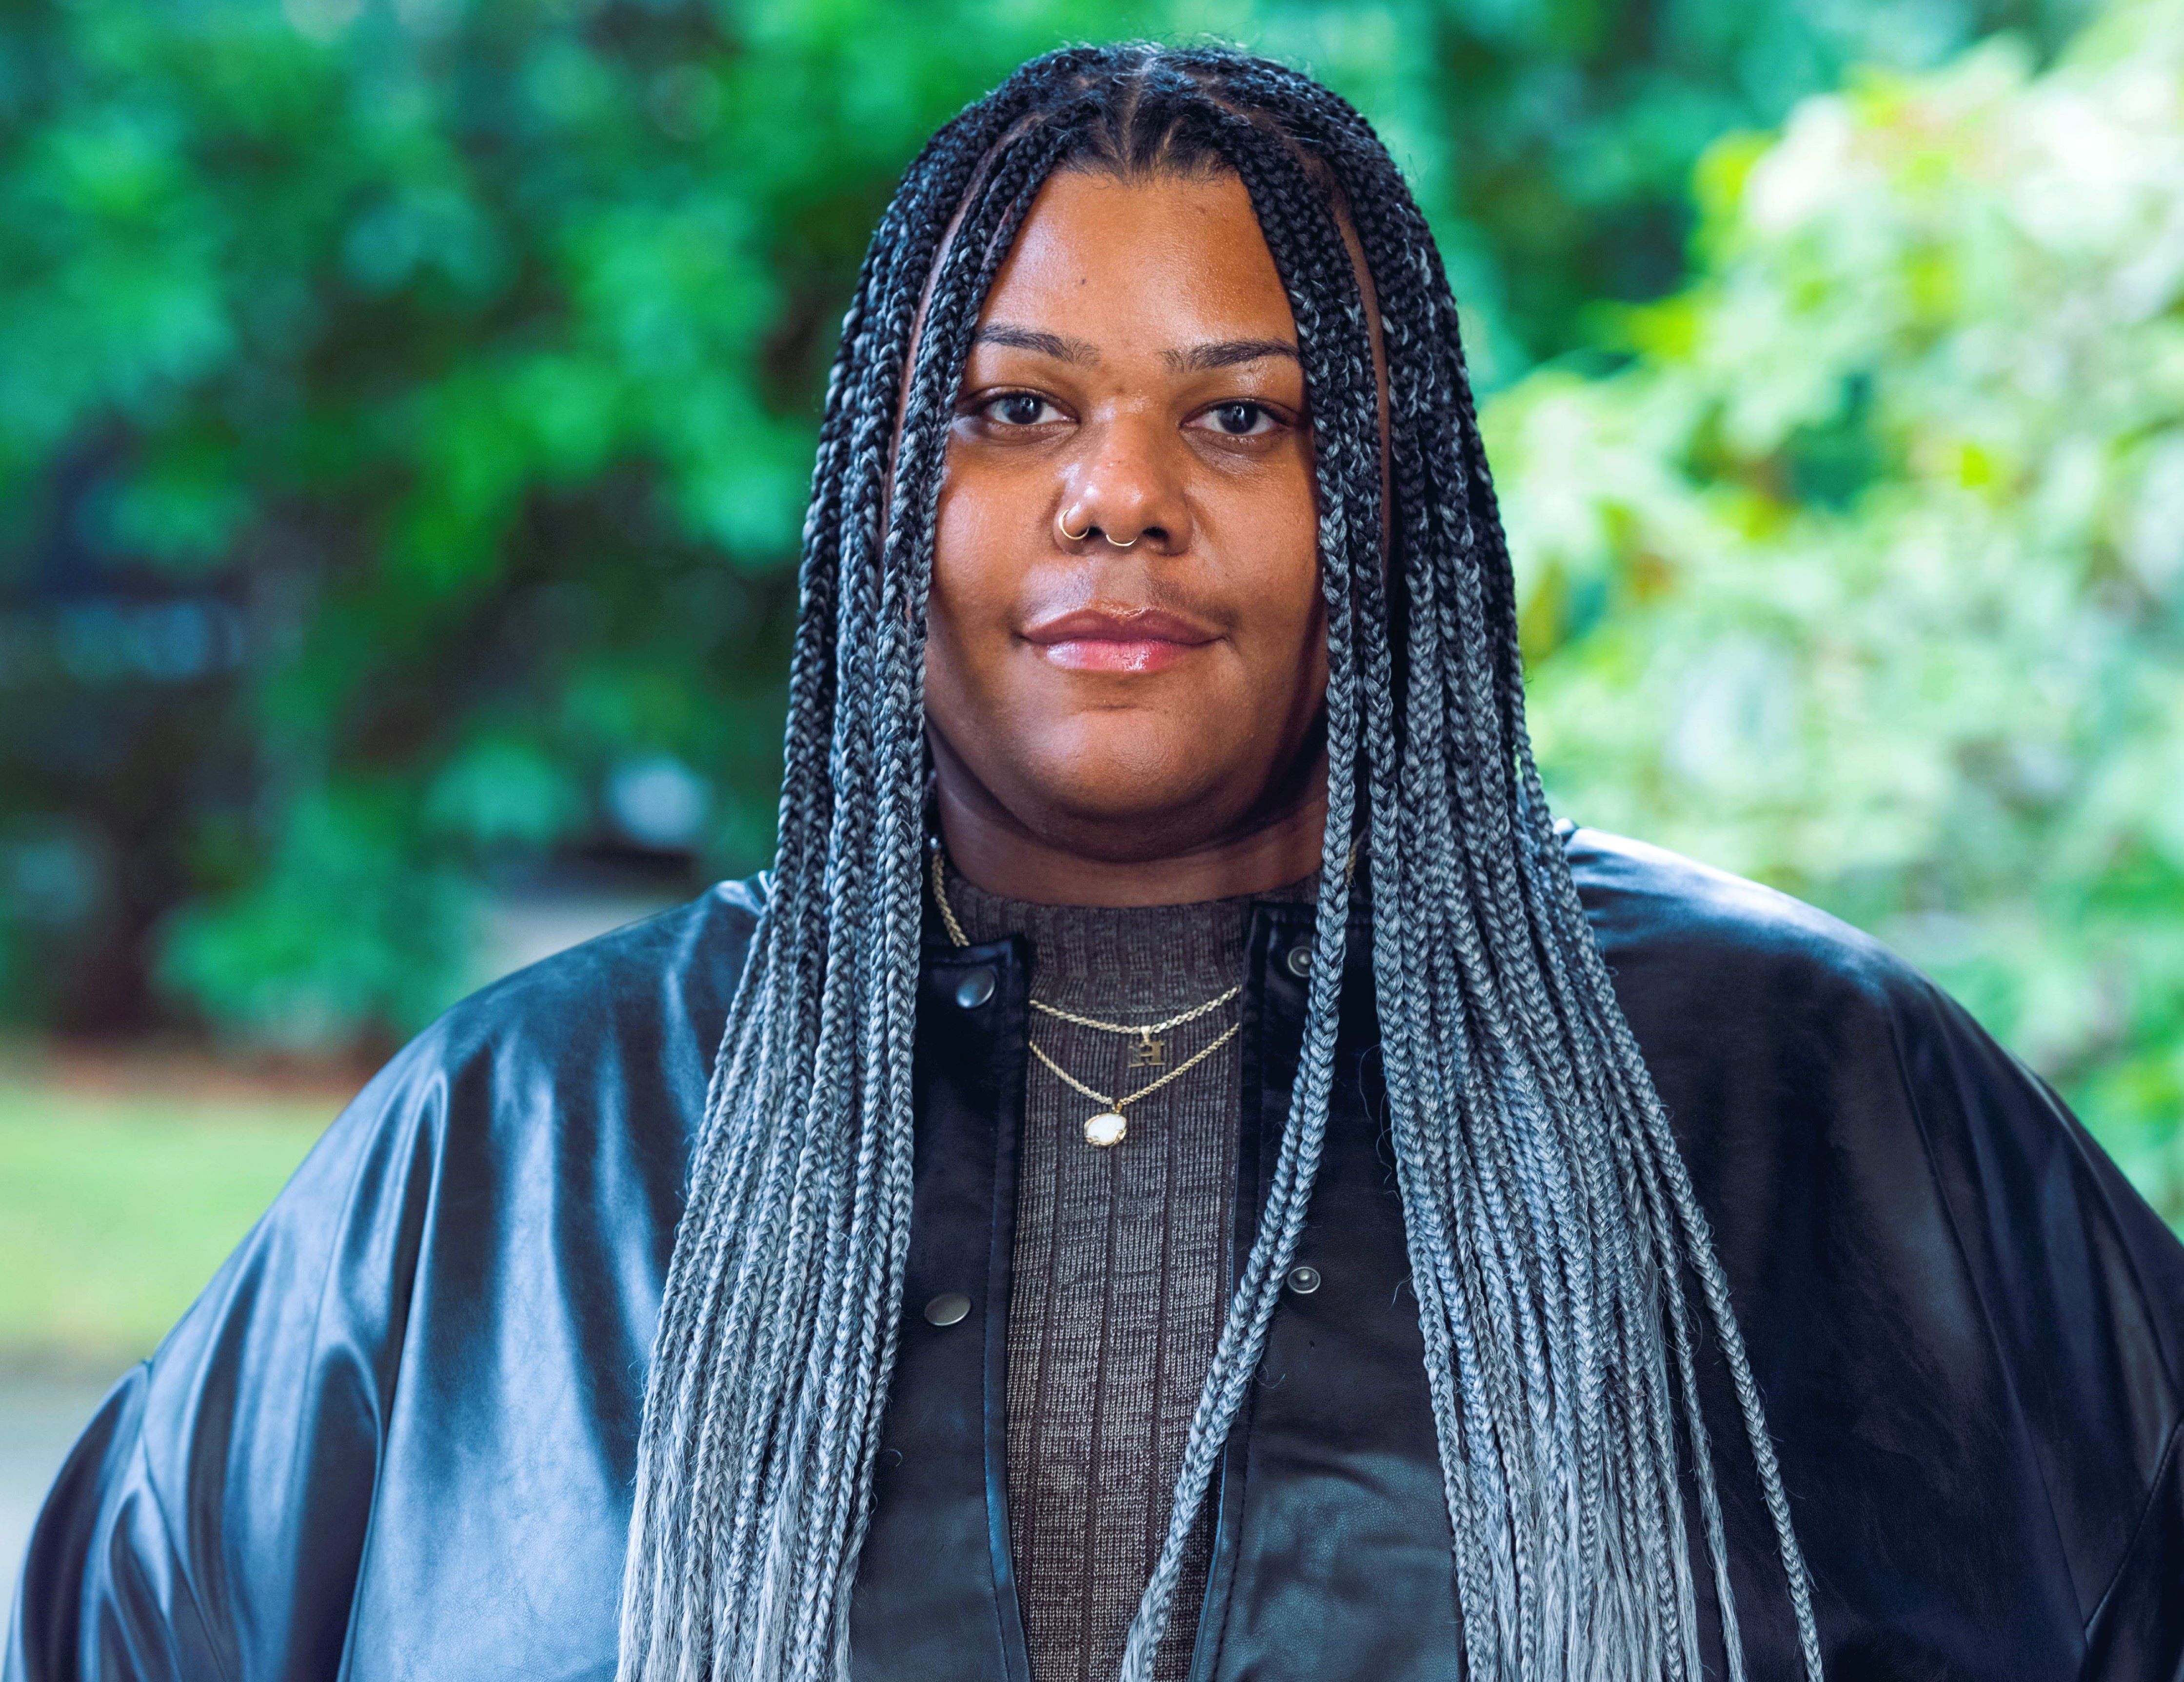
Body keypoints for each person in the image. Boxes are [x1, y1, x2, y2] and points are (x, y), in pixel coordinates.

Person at [9, 42, 2182, 1682]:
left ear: (1397, 506)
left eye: (1242, 417)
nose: (1114, 498)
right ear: (888, 498)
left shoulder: (1813, 1088)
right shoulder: (530, 1132)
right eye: (1013, 410)